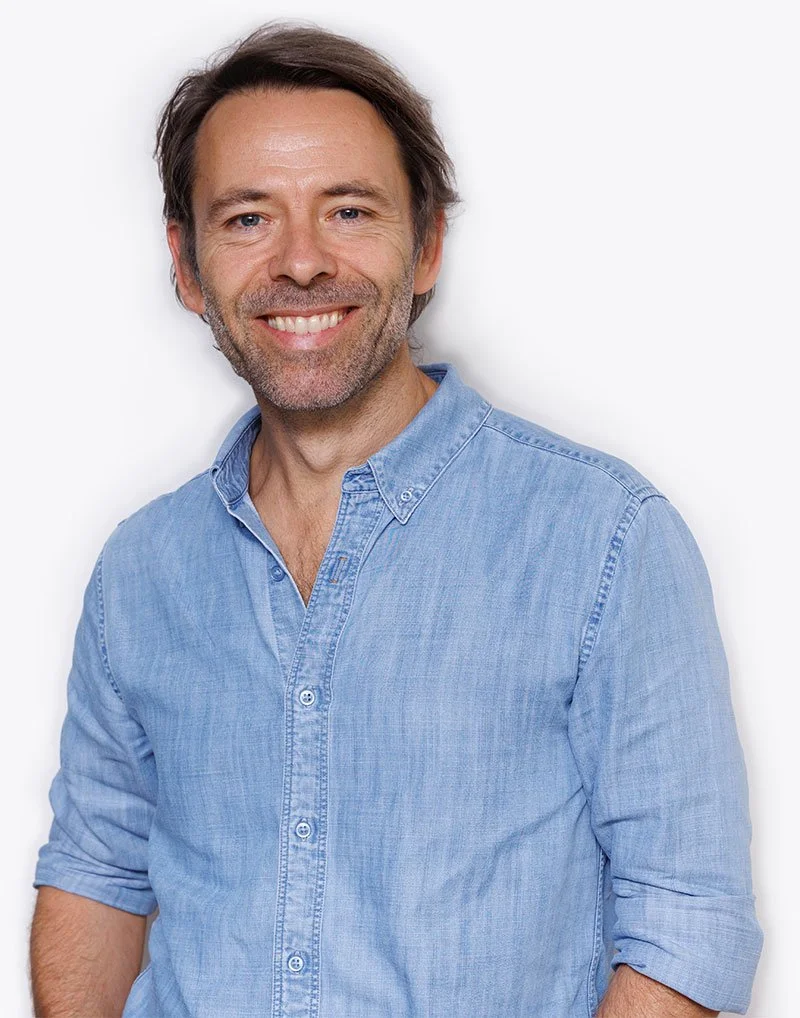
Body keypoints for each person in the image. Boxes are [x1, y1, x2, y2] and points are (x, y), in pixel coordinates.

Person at [29, 20, 763, 1018]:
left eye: (347, 211)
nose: (298, 263)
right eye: (246, 218)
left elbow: (685, 925)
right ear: (188, 264)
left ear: (424, 246)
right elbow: (97, 869)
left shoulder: (602, 539)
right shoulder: (140, 570)